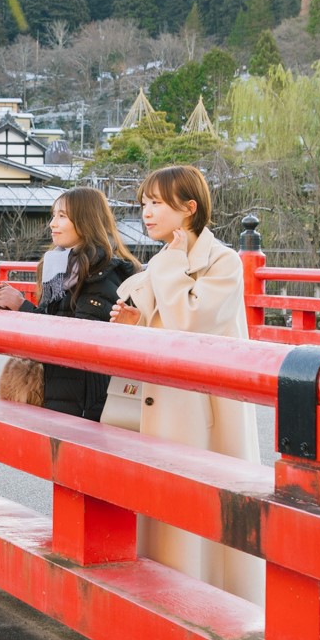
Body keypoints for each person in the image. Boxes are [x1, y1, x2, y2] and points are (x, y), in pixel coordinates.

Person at [108, 165, 264, 606]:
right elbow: (165, 327)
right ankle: (164, 602)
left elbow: (193, 321)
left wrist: (173, 266)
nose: (147, 212)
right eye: (144, 203)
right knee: (164, 513)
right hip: (165, 403)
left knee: (203, 512)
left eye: (157, 203)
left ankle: (212, 606)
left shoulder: (223, 261)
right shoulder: (163, 261)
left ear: (189, 208)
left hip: (203, 409)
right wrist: (138, 323)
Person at [0, 186, 141, 420]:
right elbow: (53, 321)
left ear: (85, 220)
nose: (52, 223)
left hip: (83, 402)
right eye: (53, 215)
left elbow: (79, 339)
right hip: (59, 390)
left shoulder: (102, 272)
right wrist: (12, 305)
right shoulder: (59, 267)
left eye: (62, 216)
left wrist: (23, 308)